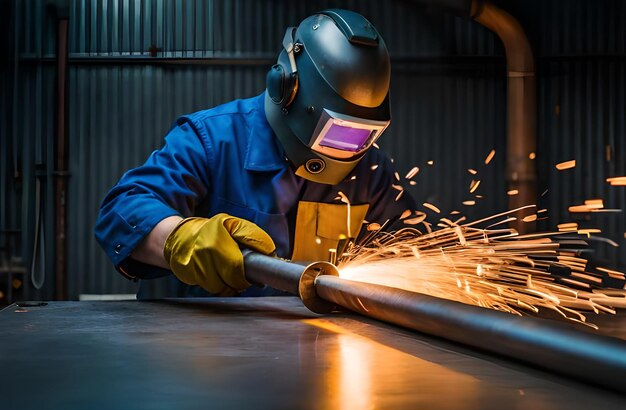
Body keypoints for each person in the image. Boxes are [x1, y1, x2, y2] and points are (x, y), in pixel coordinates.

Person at [94, 9, 417, 298]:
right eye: (335, 129)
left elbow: (413, 247)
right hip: (194, 350)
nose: (346, 148)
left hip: (306, 351)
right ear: (285, 87)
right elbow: (121, 210)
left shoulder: (370, 170)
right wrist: (179, 238)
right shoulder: (212, 139)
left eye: (362, 135)